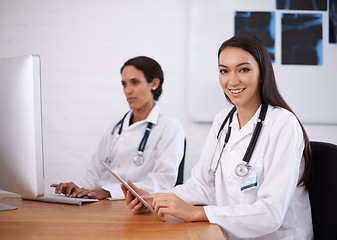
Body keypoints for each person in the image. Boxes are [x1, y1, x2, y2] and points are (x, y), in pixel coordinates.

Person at [122, 34, 314, 239]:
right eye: (224, 71)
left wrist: (197, 212)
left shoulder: (283, 123)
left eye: (244, 69)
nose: (232, 80)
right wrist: (154, 200)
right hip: (225, 234)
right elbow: (202, 185)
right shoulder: (223, 120)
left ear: (261, 73)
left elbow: (270, 214)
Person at [51, 56, 185, 200]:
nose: (128, 90)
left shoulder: (169, 126)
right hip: (105, 205)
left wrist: (108, 191)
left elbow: (162, 182)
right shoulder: (115, 128)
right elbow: (94, 174)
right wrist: (78, 190)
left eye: (134, 82)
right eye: (124, 84)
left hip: (140, 208)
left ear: (154, 83)